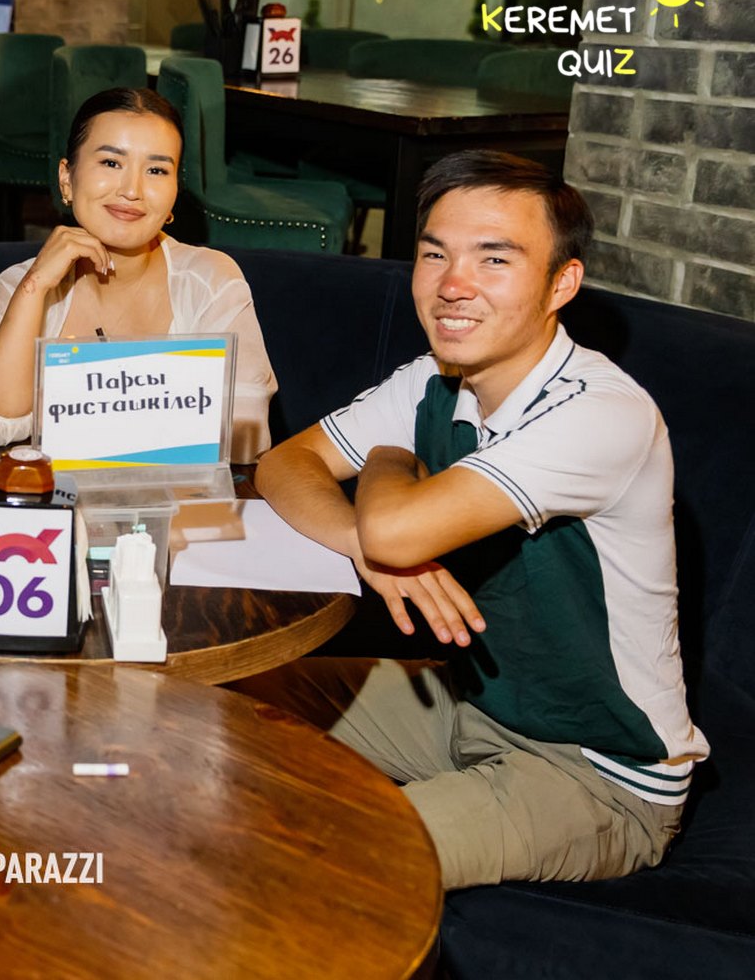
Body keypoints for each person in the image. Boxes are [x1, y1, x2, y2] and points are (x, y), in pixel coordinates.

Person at [242, 150, 708, 889]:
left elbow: (396, 530)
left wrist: (388, 462)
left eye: (494, 259)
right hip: (465, 704)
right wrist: (360, 544)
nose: (452, 285)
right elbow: (282, 466)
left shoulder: (601, 413)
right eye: (435, 254)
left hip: (599, 773)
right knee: (215, 704)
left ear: (561, 283)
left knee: (317, 865)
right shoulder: (436, 377)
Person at [0, 87, 277, 463]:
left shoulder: (211, 283)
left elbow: (244, 436)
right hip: (53, 498)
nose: (132, 190)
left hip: (176, 500)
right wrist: (34, 288)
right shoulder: (19, 286)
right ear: (67, 178)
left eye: (156, 170)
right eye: (111, 163)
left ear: (174, 193)